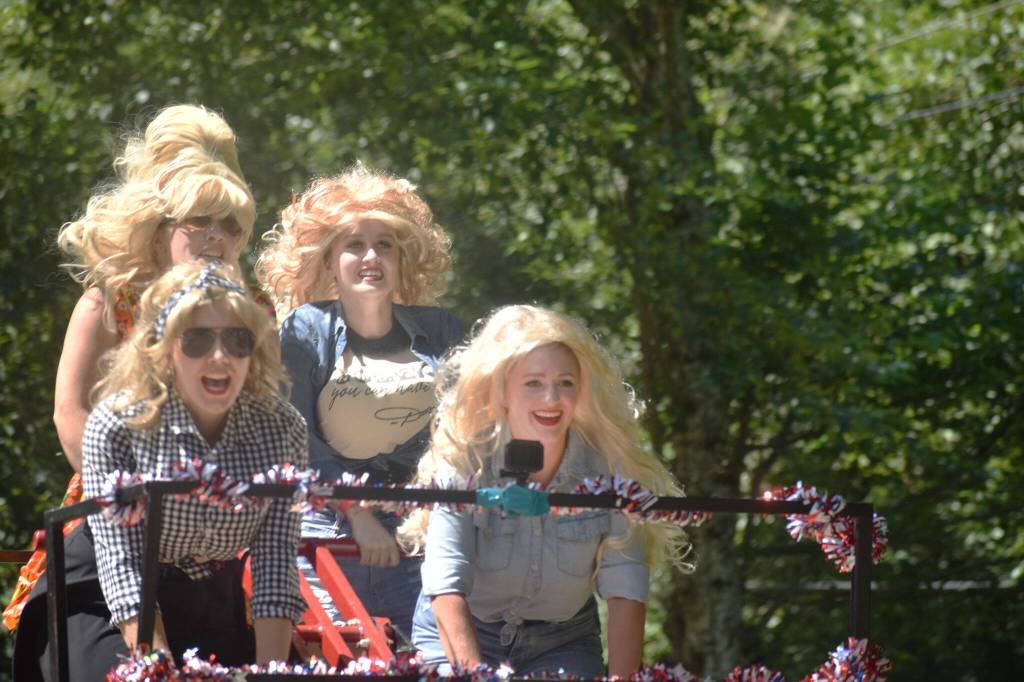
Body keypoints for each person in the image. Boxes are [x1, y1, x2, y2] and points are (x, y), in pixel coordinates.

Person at [4, 104, 257, 634]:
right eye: (199, 222)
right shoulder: (108, 304)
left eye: (229, 225)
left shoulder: (252, 314)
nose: (216, 237)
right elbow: (70, 415)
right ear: (161, 229)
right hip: (111, 528)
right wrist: (130, 505)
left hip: (215, 542)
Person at [15, 261, 308, 681]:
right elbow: (123, 563)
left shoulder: (282, 427)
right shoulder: (116, 425)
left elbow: (276, 564)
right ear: (164, 349)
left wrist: (271, 672)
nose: (220, 356)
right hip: (102, 594)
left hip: (209, 593)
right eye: (198, 340)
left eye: (238, 340)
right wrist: (159, 671)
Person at [398, 305, 690, 677]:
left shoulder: (609, 468)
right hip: (462, 632)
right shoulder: (465, 461)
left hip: (564, 640)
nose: (551, 399)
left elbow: (626, 590)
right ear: (501, 391)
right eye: (533, 383)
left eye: (565, 382)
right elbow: (446, 586)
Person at [256, 164, 461, 640]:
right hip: (327, 533)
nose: (371, 256)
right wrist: (358, 513)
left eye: (384, 244)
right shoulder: (306, 327)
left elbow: (459, 431)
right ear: (328, 261)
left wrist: (407, 514)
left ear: (402, 258)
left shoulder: (442, 328)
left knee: (427, 666)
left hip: (418, 534)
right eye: (354, 244)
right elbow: (297, 434)